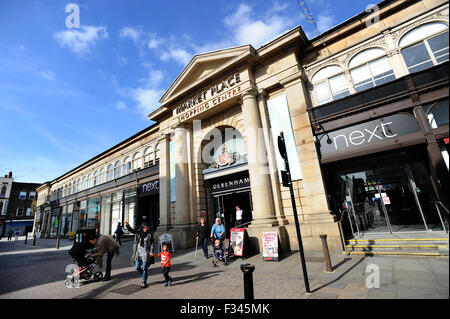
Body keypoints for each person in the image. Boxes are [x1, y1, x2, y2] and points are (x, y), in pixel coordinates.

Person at [124, 221, 154, 288]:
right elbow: (132, 230)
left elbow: (152, 244)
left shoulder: (149, 234)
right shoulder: (139, 232)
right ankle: (144, 275)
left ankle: (144, 281)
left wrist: (151, 251)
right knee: (137, 267)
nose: (146, 228)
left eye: (147, 227)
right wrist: (127, 225)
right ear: (142, 227)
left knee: (144, 268)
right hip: (138, 253)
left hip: (145, 253)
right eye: (145, 227)